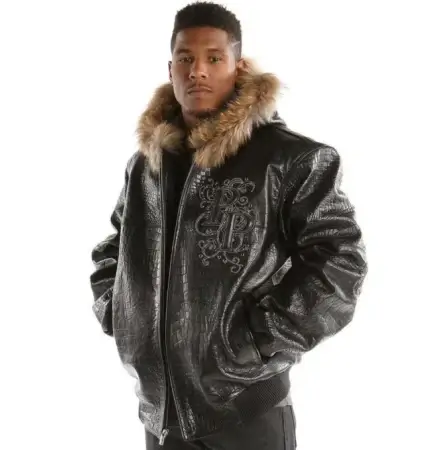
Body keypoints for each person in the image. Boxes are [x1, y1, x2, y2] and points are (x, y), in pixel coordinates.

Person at [89, 2, 368, 449]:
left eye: (213, 57)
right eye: (185, 58)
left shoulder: (289, 159)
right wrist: (122, 316)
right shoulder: (146, 167)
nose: (197, 70)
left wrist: (259, 339)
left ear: (237, 67)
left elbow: (340, 263)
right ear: (170, 68)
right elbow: (113, 250)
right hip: (161, 416)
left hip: (247, 412)